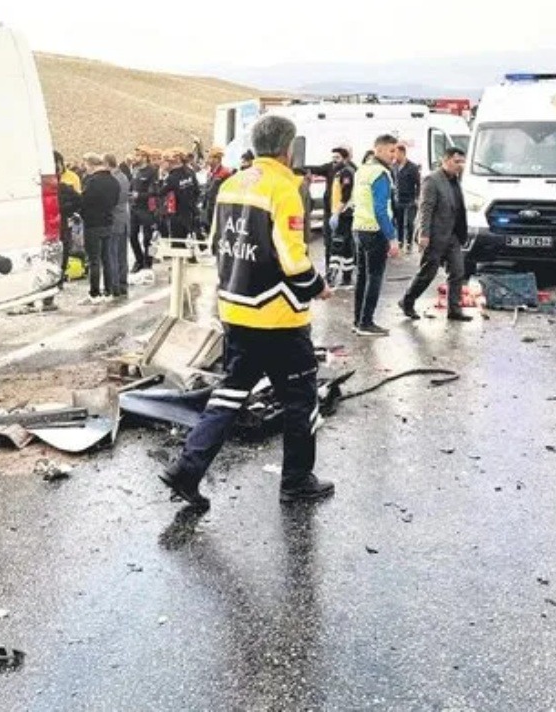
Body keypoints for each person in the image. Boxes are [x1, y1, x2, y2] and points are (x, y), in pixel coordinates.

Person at [159, 115, 334, 512]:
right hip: (279, 317)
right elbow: (293, 259)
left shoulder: (231, 184)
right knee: (300, 399)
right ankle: (297, 481)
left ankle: (187, 469)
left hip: (236, 309)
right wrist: (317, 286)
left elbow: (216, 242)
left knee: (230, 393)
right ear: (288, 149)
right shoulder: (285, 189)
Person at [398, 147, 473, 323]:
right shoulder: (432, 180)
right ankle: (407, 301)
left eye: (462, 162)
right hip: (435, 235)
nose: (460, 165)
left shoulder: (455, 180)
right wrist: (424, 234)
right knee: (428, 273)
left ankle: (454, 309)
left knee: (458, 272)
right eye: (456, 161)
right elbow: (426, 208)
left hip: (453, 234)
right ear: (445, 161)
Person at [351, 134, 401, 336]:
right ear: (378, 150)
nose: (394, 155)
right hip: (375, 231)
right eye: (391, 150)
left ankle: (358, 320)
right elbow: (380, 209)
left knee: (362, 277)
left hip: (359, 228)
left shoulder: (362, 170)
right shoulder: (380, 174)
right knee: (375, 277)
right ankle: (367, 322)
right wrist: (392, 237)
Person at [78, 153, 120, 304]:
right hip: (108, 221)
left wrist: (81, 213)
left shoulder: (92, 181)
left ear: (90, 164)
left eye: (85, 165)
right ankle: (108, 291)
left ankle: (94, 293)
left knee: (94, 260)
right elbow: (115, 201)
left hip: (92, 223)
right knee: (106, 258)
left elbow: (84, 202)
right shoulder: (114, 181)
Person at [326, 147, 358, 289]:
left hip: (345, 214)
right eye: (333, 158)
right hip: (341, 213)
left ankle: (333, 275)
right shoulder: (339, 172)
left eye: (337, 158)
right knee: (345, 247)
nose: (334, 161)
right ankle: (346, 276)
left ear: (344, 159)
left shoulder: (346, 172)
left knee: (338, 244)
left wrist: (337, 213)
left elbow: (346, 195)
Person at [104, 153, 132, 297]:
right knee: (122, 254)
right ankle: (122, 283)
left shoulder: (113, 179)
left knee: (112, 254)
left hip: (114, 218)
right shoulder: (124, 177)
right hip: (124, 218)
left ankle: (114, 286)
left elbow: (111, 201)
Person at [159, 148, 199, 244]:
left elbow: (160, 192)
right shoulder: (190, 172)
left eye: (165, 161)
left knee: (177, 244)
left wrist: (161, 177)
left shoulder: (172, 177)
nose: (163, 164)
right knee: (194, 243)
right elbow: (197, 190)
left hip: (177, 215)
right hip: (191, 212)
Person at [129, 147, 160, 273]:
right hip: (134, 208)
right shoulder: (135, 170)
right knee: (132, 236)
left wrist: (139, 195)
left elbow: (154, 192)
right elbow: (132, 187)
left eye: (138, 155)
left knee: (148, 239)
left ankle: (148, 261)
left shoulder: (152, 171)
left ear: (144, 157)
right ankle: (139, 260)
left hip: (147, 209)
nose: (135, 158)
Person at [392, 144, 422, 254]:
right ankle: (400, 242)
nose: (395, 156)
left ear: (402, 153)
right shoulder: (394, 166)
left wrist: (417, 198)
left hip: (410, 200)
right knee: (399, 222)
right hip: (398, 199)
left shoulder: (412, 167)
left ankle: (409, 243)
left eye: (396, 153)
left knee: (409, 222)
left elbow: (418, 184)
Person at [200, 146, 233, 239]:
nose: (207, 160)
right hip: (209, 206)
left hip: (219, 206)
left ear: (217, 159)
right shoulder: (210, 173)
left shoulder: (225, 173)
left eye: (210, 158)